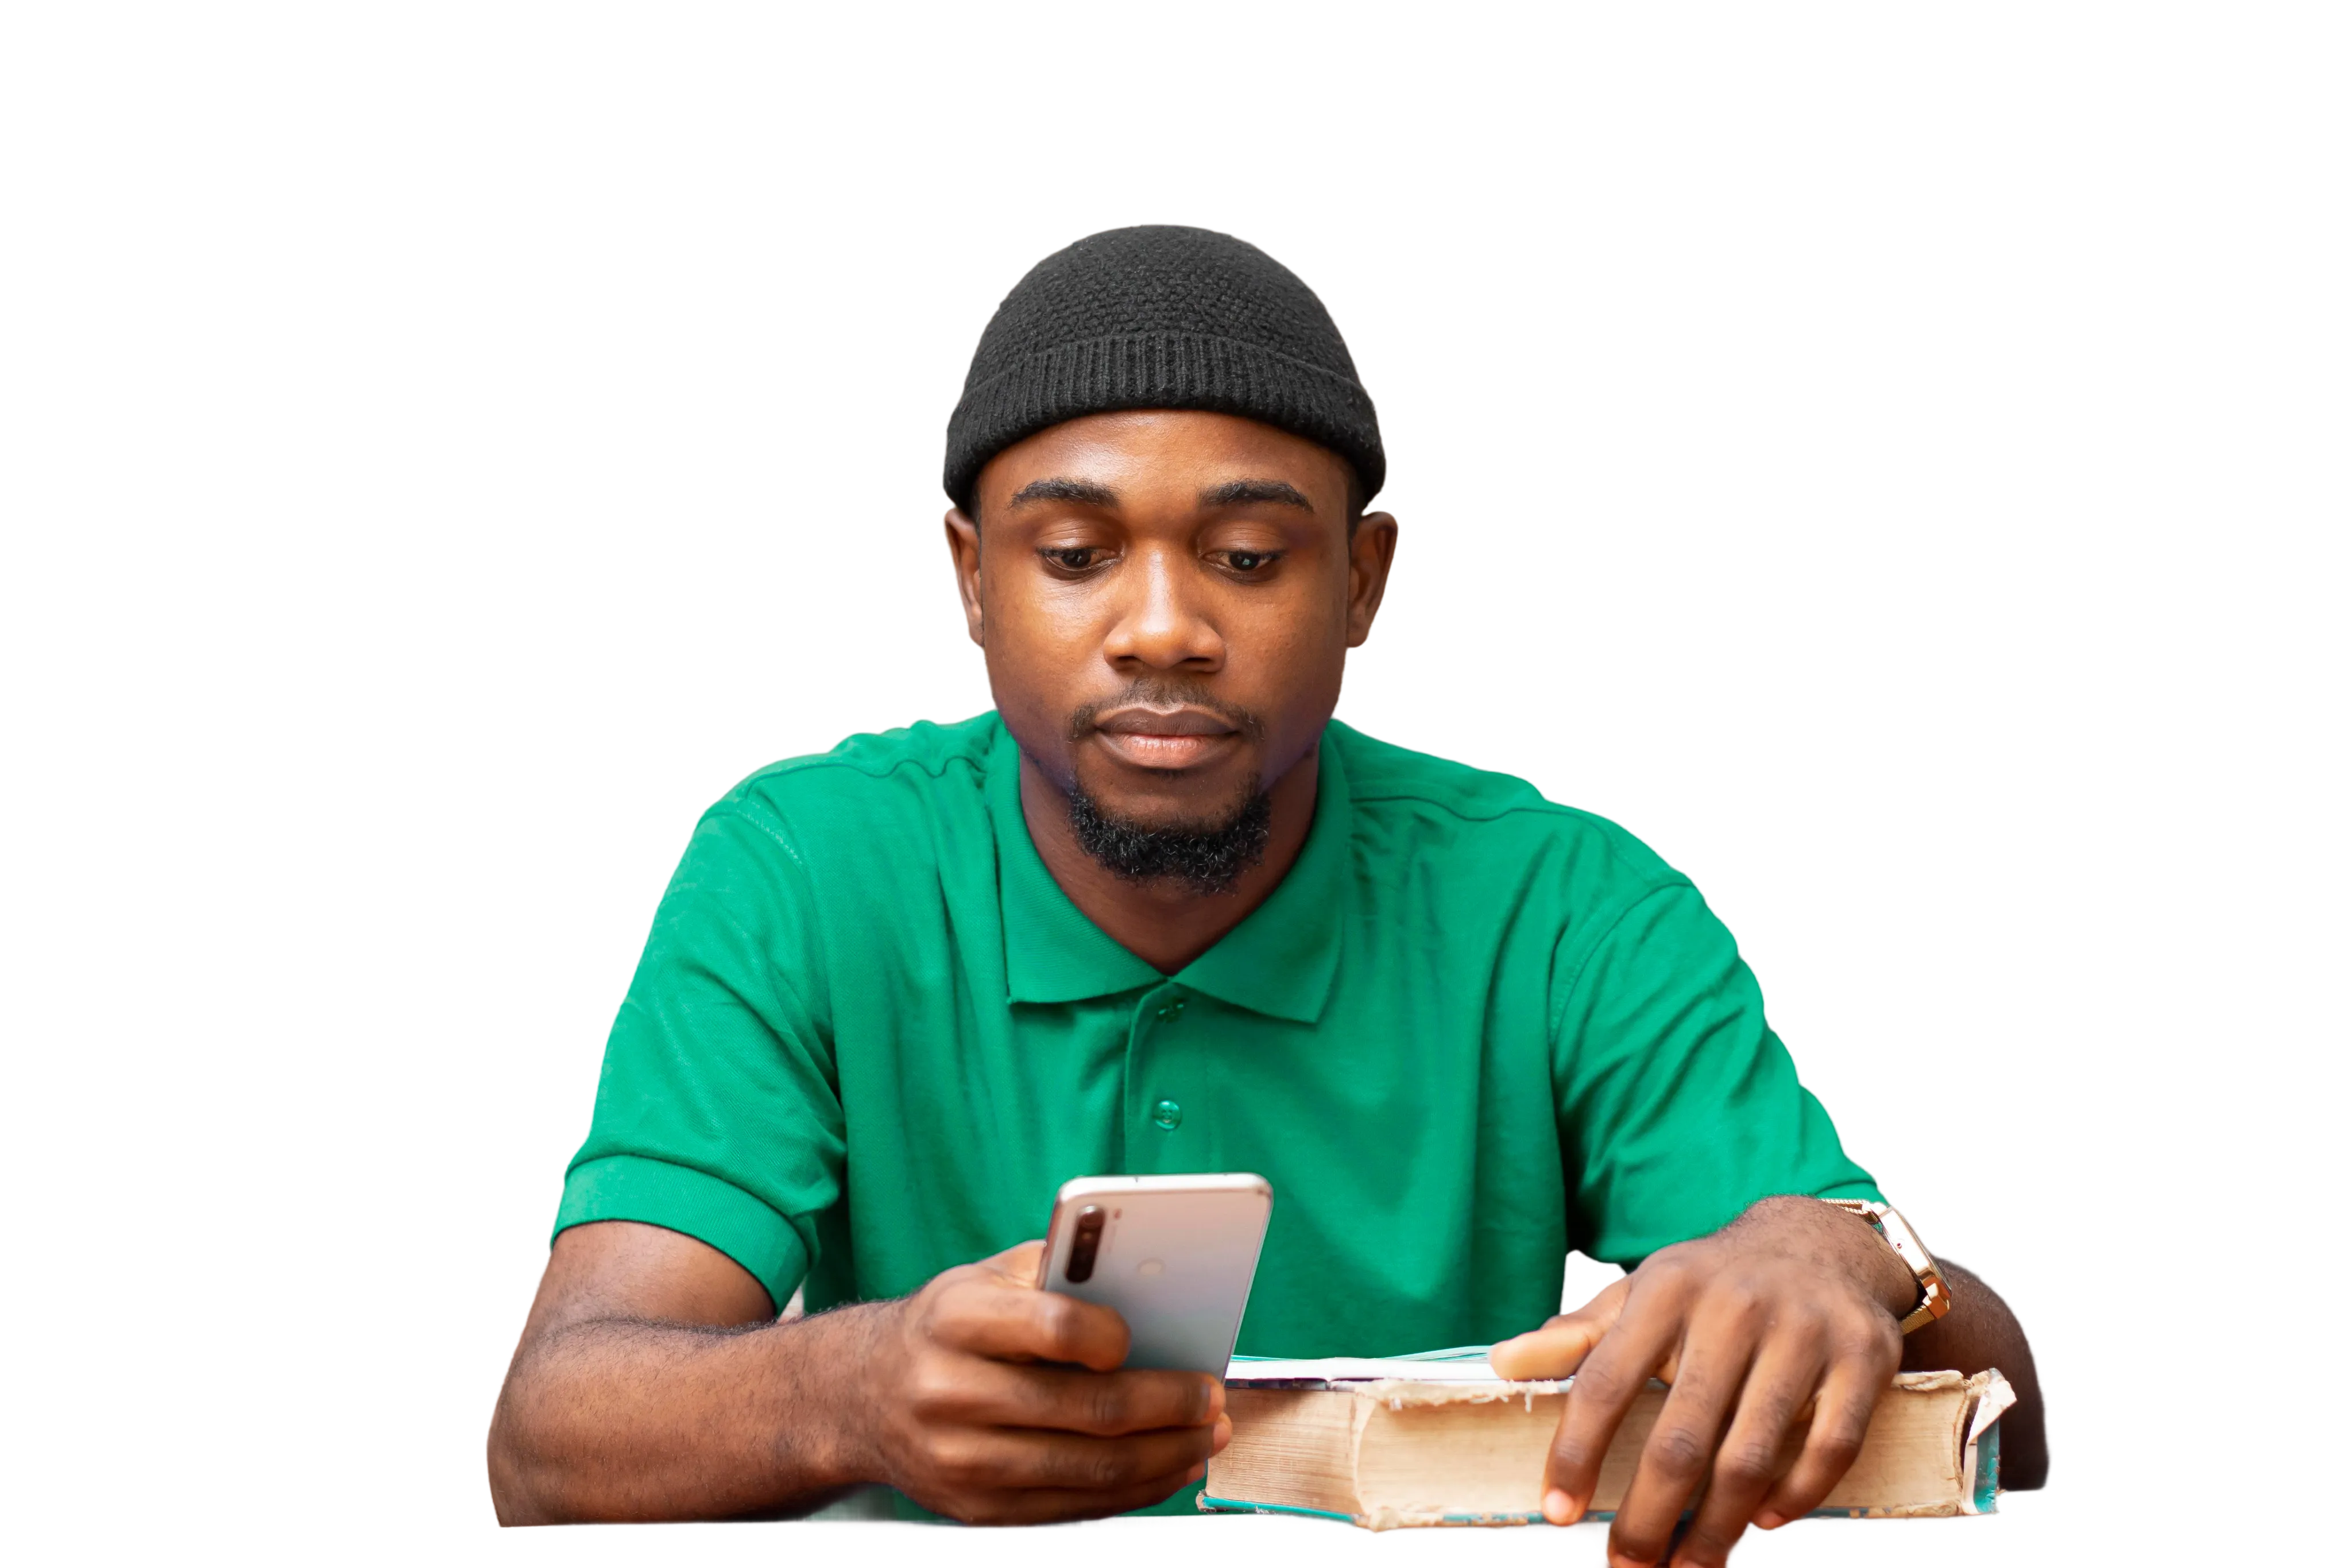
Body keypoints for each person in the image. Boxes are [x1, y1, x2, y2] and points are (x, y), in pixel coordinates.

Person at [484, 223, 2049, 1560]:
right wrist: (853, 1394)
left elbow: (2017, 1435)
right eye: (1076, 554)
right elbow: (545, 1442)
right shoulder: (799, 862)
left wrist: (1858, 1260)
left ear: (1361, 580)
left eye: (1246, 557)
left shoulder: (1568, 902)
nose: (1162, 628)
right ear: (970, 577)